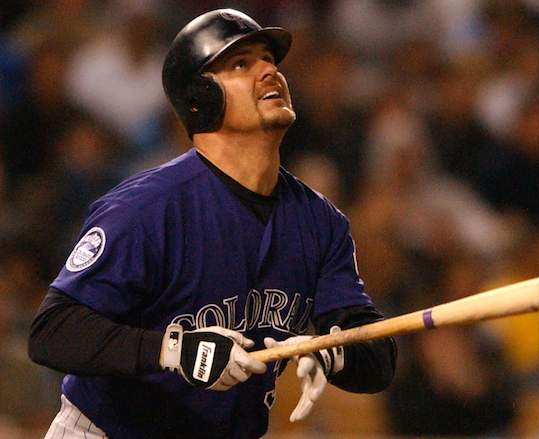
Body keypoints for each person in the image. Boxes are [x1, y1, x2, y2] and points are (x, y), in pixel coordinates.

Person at [28, 9, 396, 439]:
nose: (270, 70)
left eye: (269, 59)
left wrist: (334, 352)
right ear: (201, 97)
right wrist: (171, 350)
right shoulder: (148, 207)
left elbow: (377, 358)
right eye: (242, 64)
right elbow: (53, 331)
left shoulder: (320, 222)